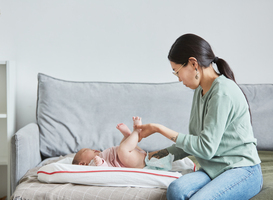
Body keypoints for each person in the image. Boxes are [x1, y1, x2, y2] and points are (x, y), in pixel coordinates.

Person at [134, 34, 263, 200]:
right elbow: (193, 143)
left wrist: (159, 129)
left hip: (243, 170)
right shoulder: (199, 91)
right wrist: (152, 156)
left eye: (177, 71)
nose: (179, 78)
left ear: (193, 63)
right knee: (176, 190)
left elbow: (205, 148)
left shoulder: (222, 93)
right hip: (214, 169)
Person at [72, 116, 147, 168]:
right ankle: (136, 131)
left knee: (122, 147)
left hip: (134, 156)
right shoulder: (92, 165)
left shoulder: (102, 154)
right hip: (135, 163)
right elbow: (104, 171)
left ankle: (128, 137)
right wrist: (99, 163)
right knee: (122, 150)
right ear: (82, 164)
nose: (92, 149)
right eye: (86, 150)